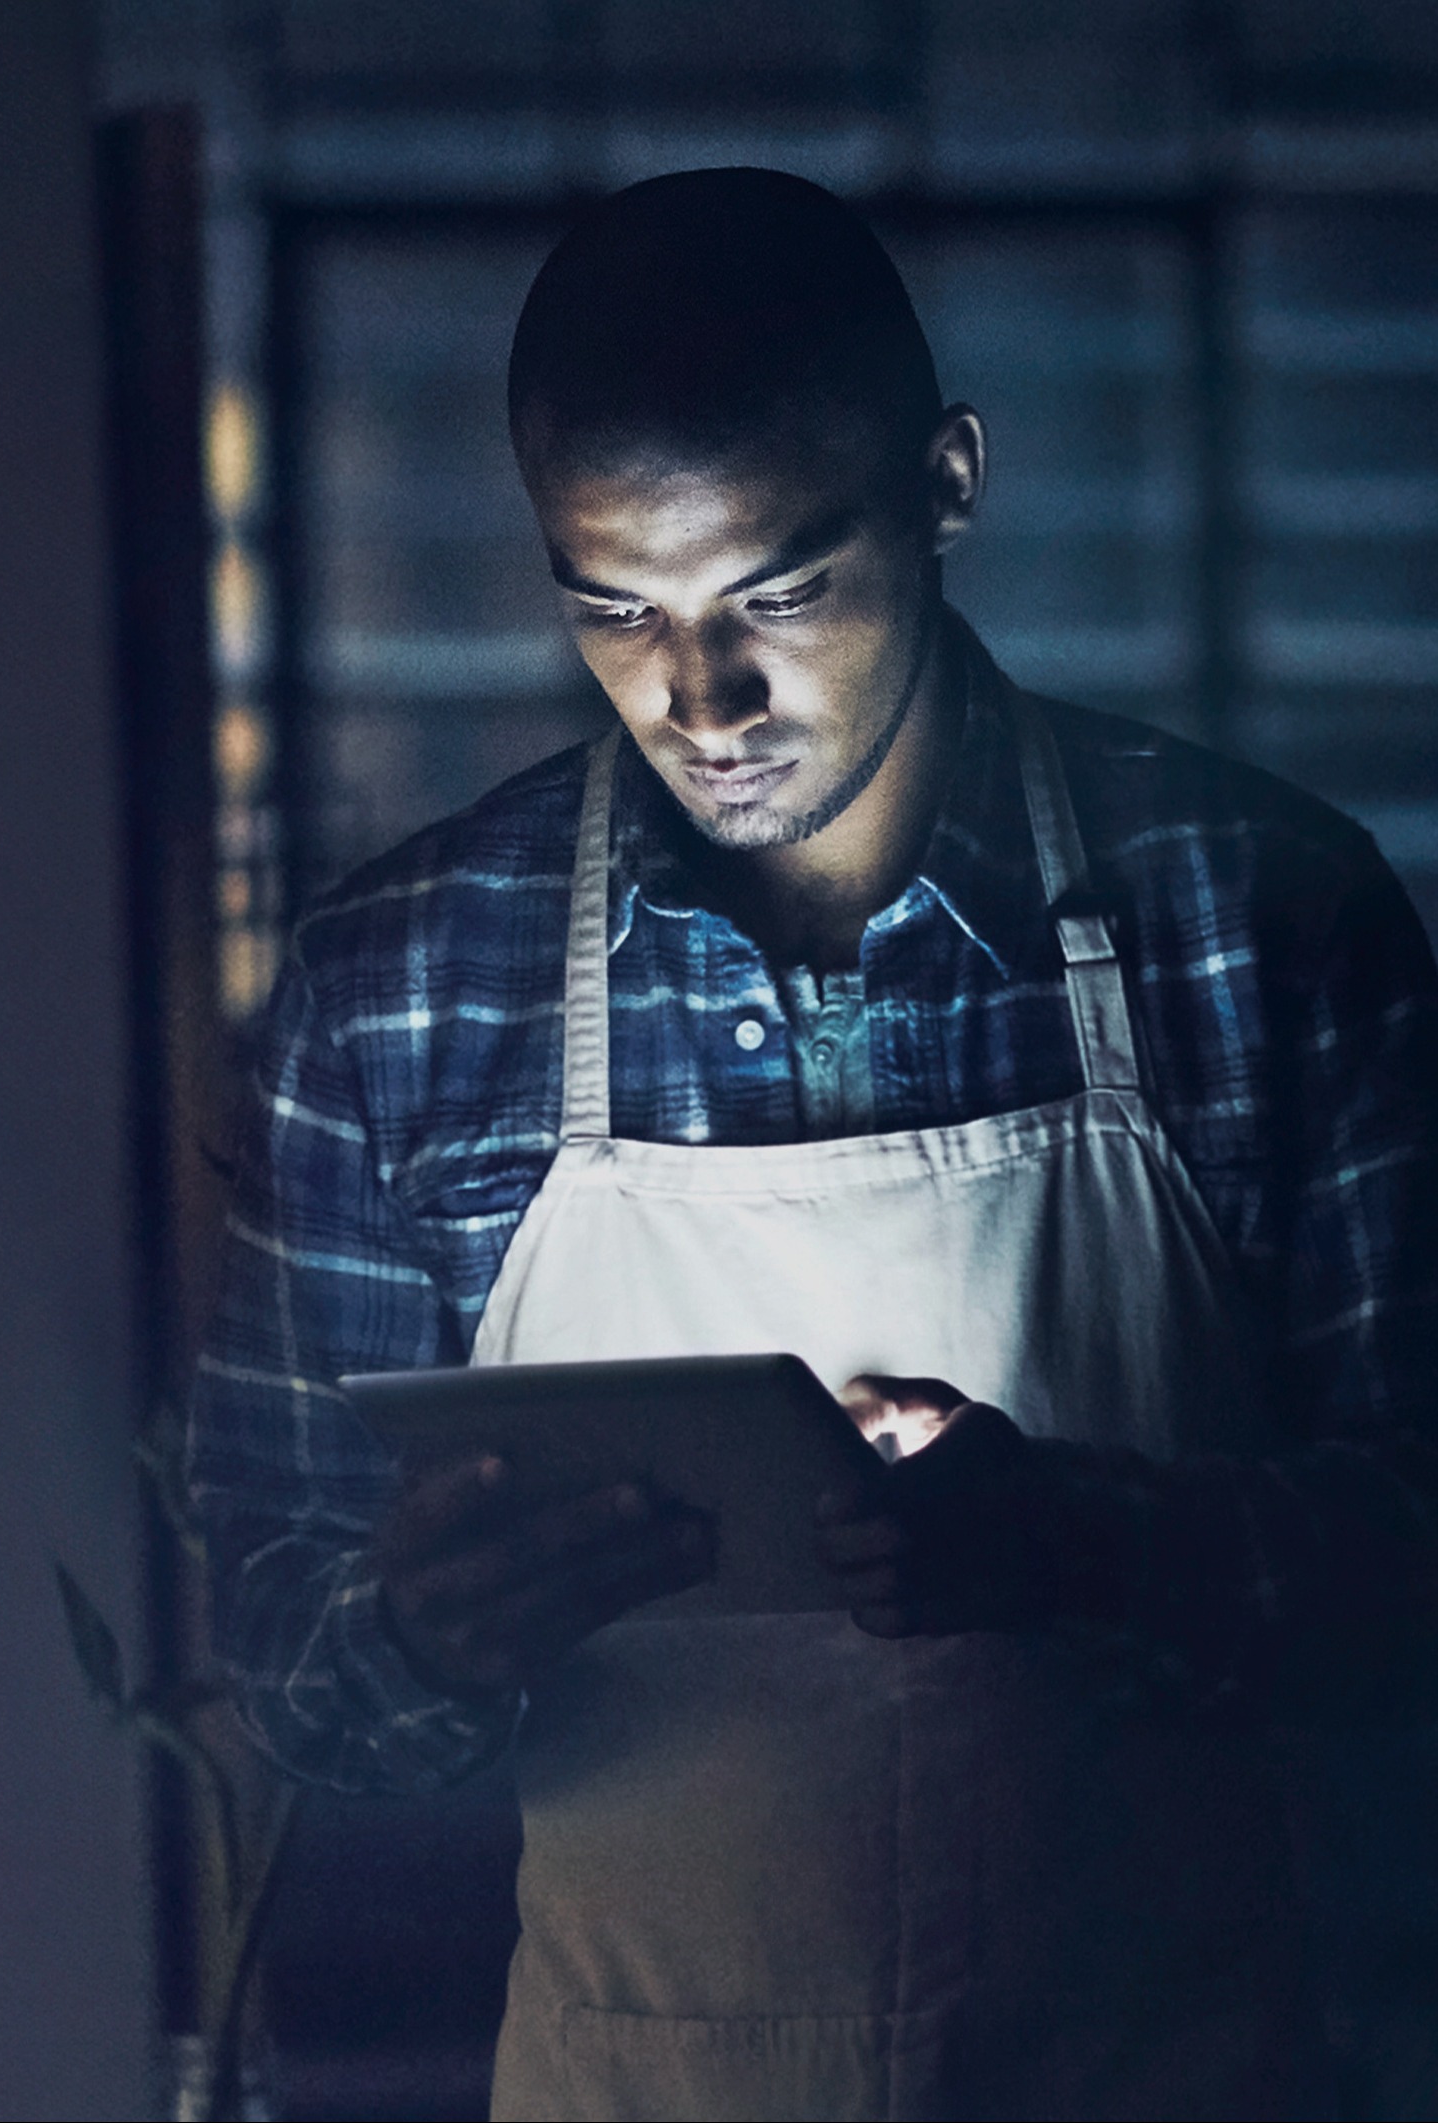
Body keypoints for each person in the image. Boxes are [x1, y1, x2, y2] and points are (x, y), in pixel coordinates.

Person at [188, 168, 1438, 2120]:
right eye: (617, 608)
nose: (705, 699)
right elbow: (272, 1628)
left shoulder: (1260, 916)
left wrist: (1087, 1544)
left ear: (948, 483)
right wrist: (417, 1634)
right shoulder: (400, 990)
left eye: (778, 592)